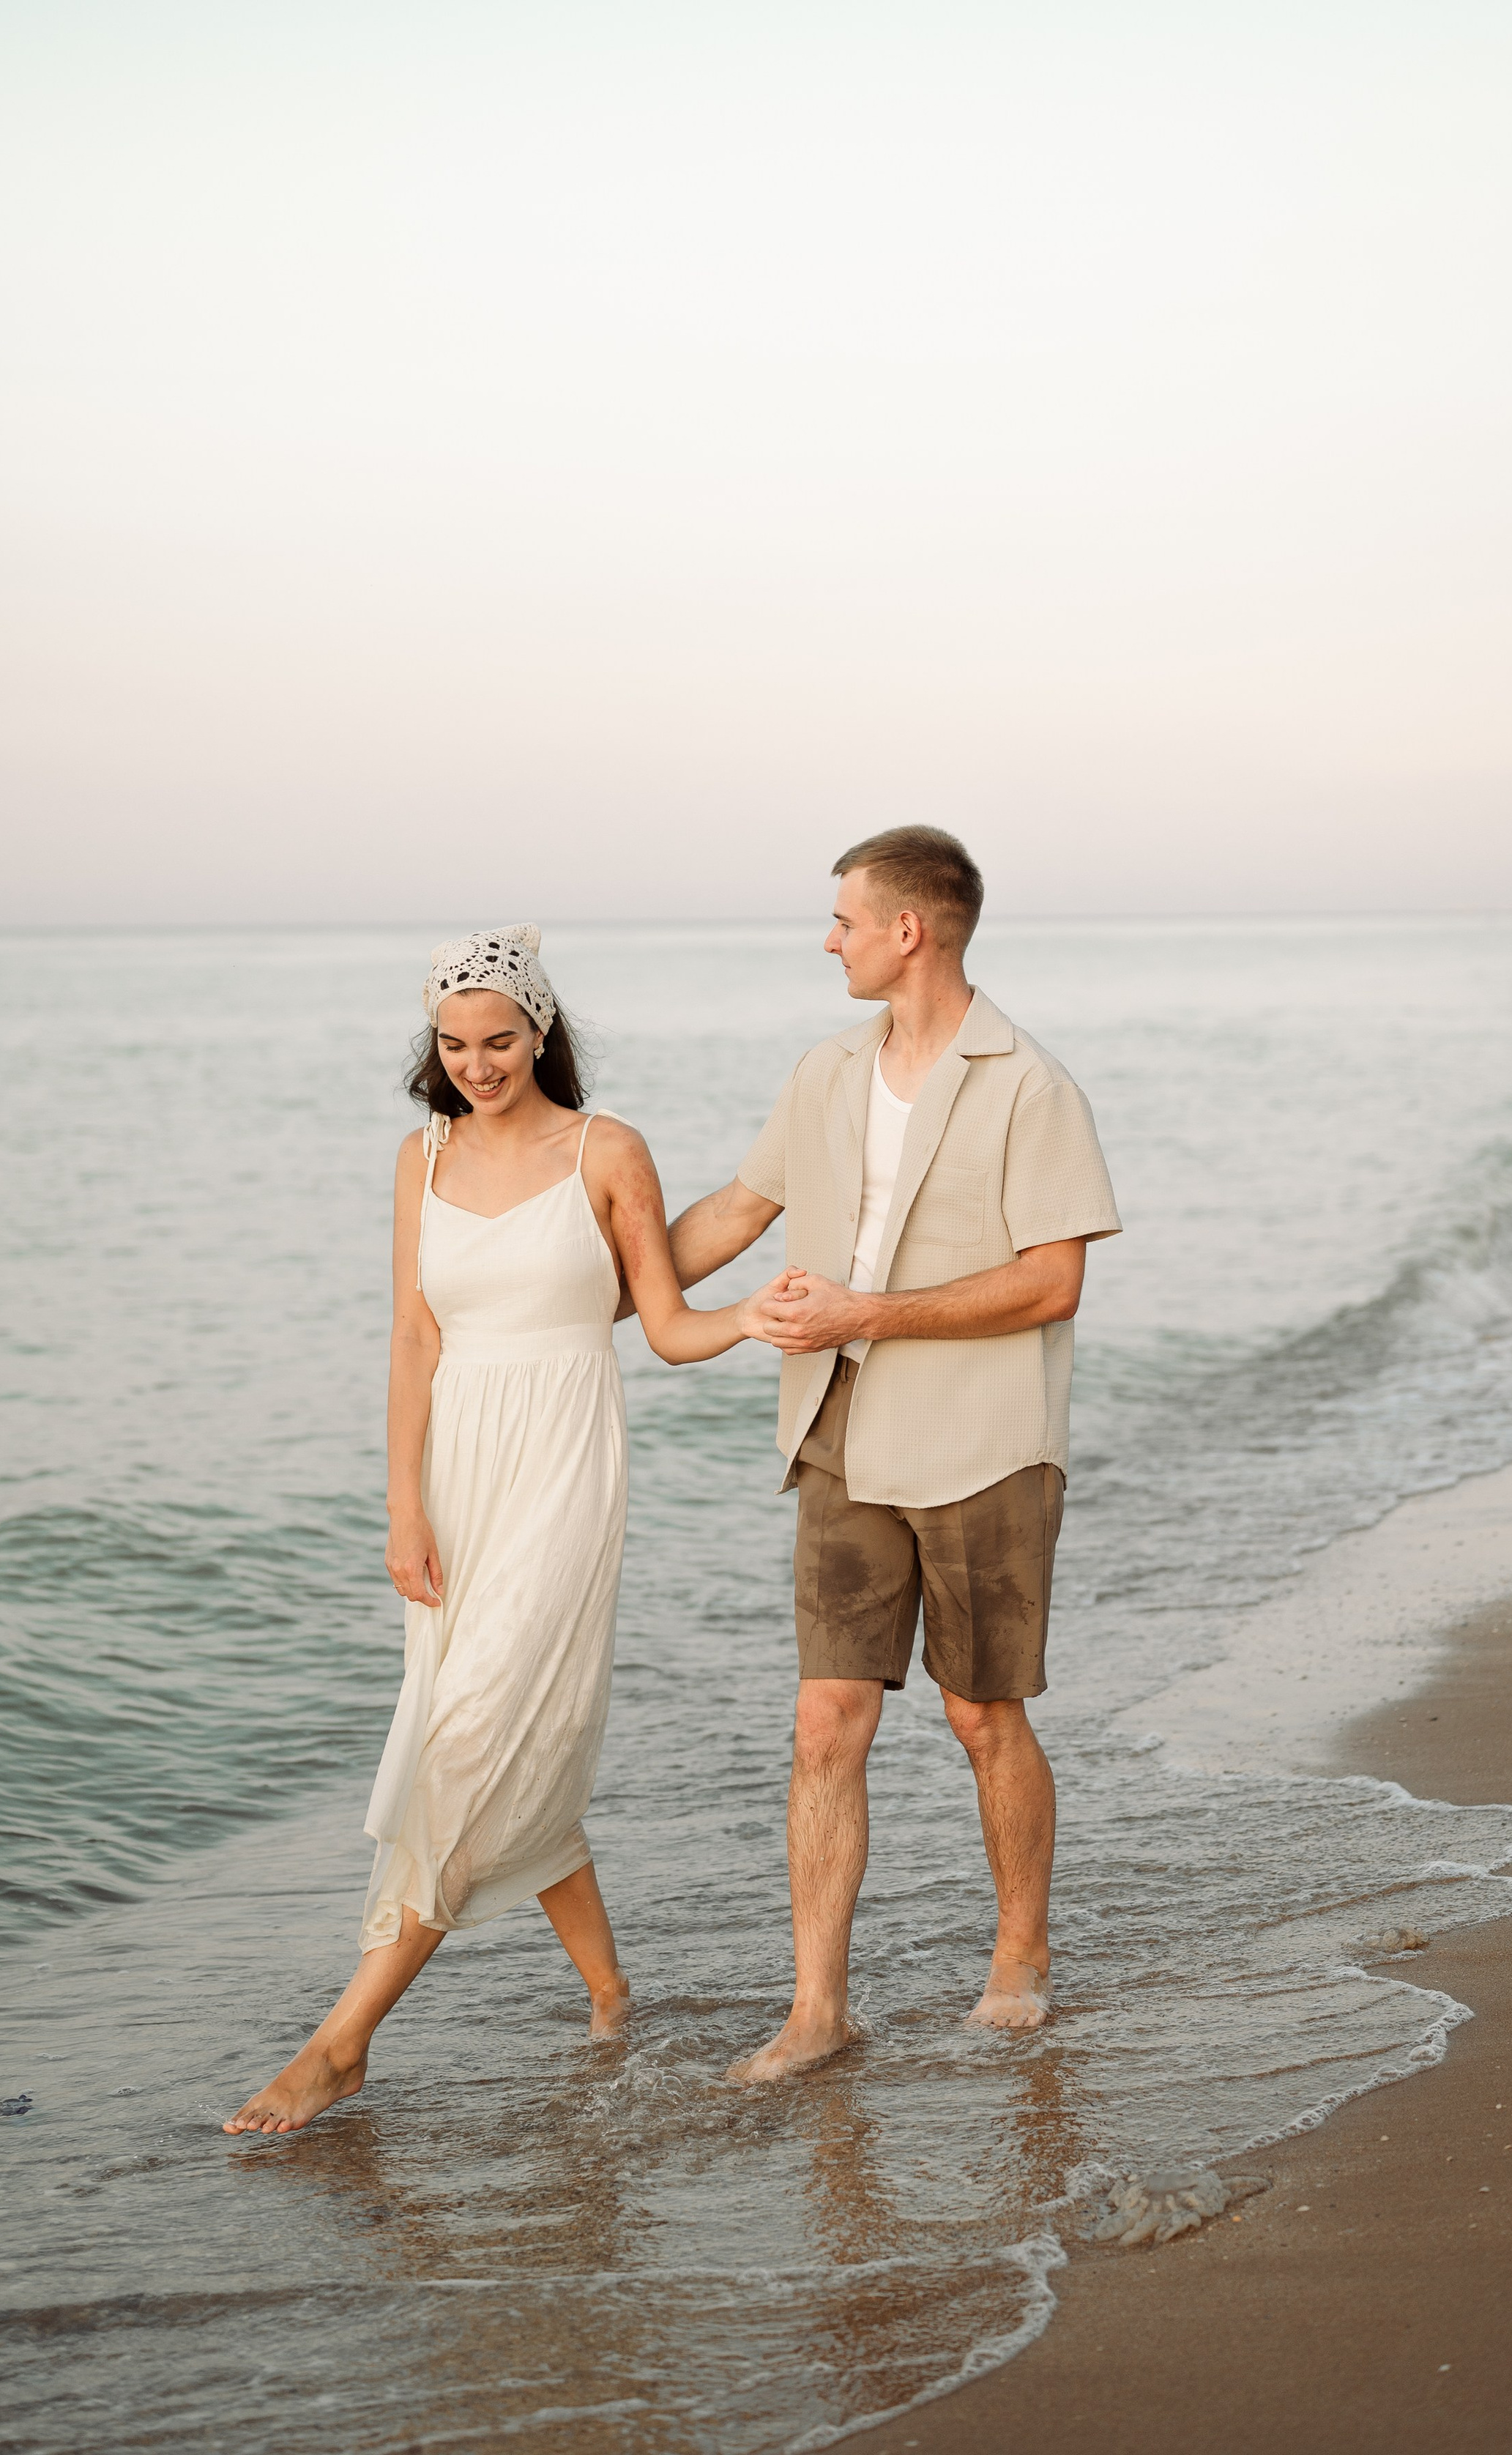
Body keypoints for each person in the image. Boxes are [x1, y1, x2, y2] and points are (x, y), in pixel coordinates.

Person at [224, 924, 779, 2136]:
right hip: (458, 1477)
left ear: (542, 1033)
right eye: (455, 1043)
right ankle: (613, 1991)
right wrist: (403, 1506)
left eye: (501, 1040)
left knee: (472, 1742)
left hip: (565, 1463)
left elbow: (667, 1324)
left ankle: (340, 2044)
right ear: (434, 1046)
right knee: (487, 1733)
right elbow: (414, 1338)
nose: (478, 1063)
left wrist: (759, 1317)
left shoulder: (605, 1149)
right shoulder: (417, 1159)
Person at [670, 827, 1121, 2083]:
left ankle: (1018, 1956)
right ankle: (818, 2010)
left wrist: (869, 1314)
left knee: (984, 1715)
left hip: (984, 1444)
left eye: (844, 920)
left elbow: (1055, 1279)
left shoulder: (1030, 1085)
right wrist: (584, 1280)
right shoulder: (824, 1072)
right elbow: (733, 1212)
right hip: (840, 1433)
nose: (830, 939)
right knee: (827, 1723)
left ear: (908, 931)